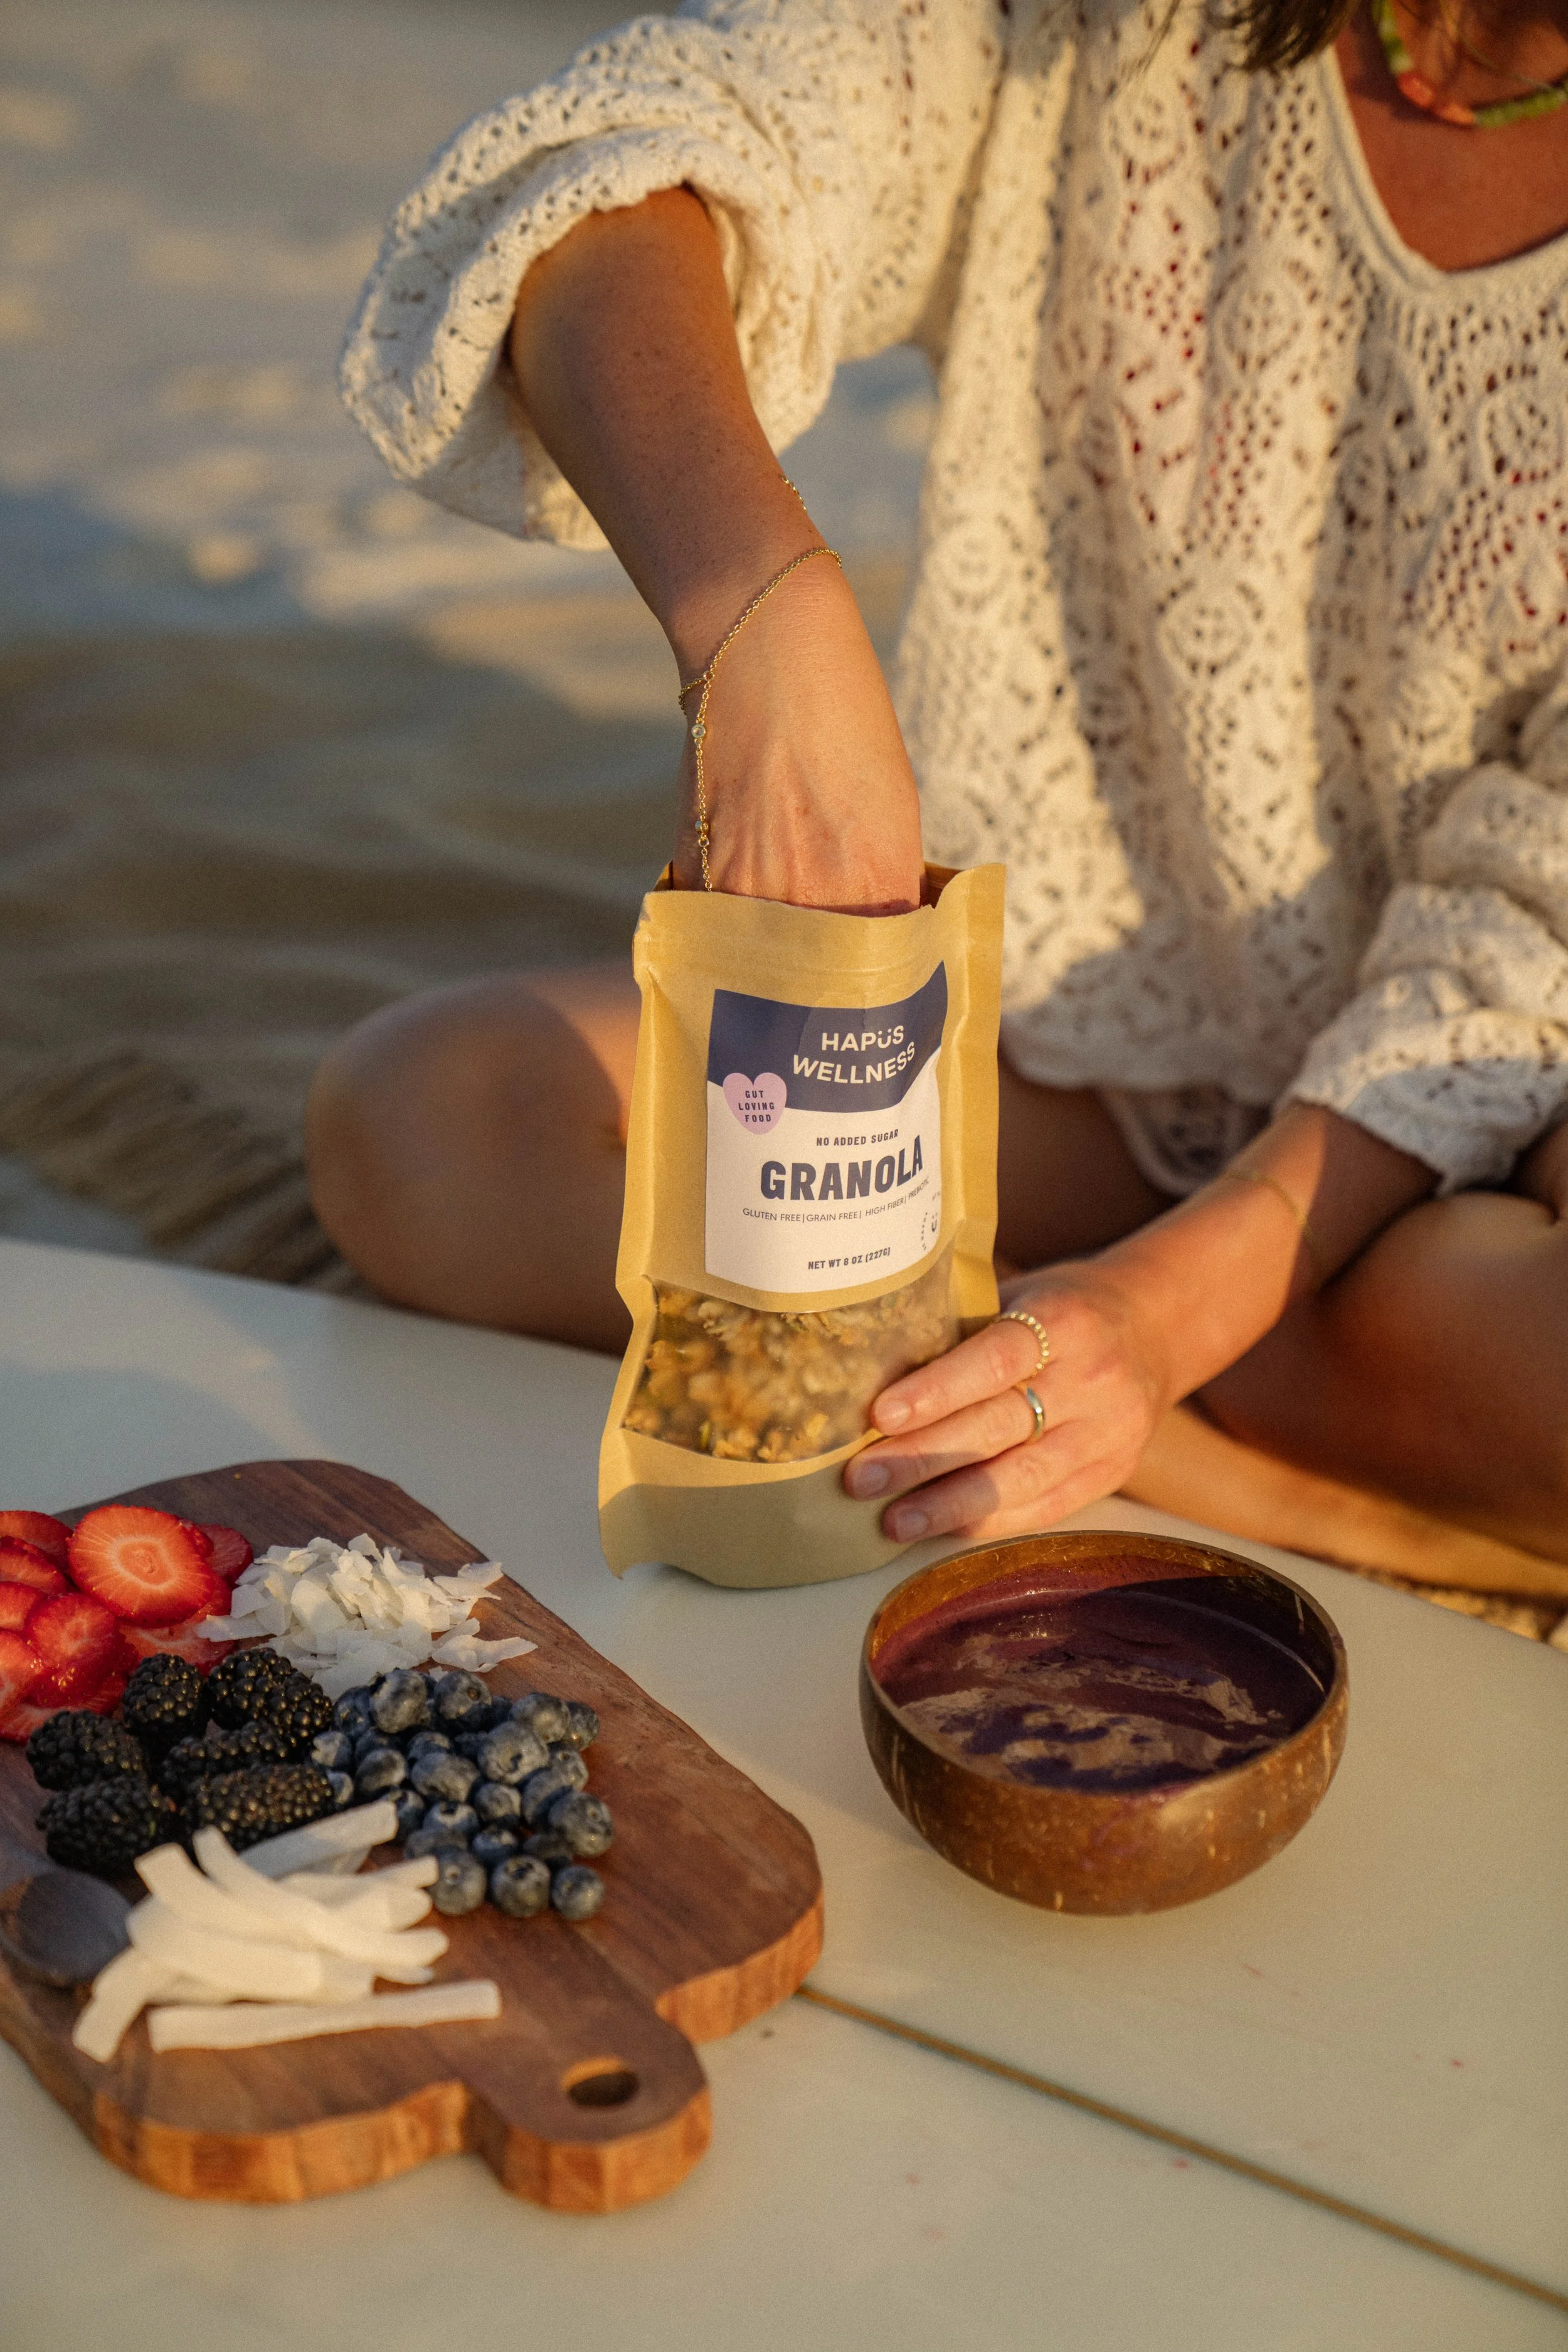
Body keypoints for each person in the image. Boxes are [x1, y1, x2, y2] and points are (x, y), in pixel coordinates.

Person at [311, 0, 1568, 1596]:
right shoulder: (1104, 24)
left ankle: (1066, 1393)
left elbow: (1535, 931)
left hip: (1491, 1122)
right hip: (1084, 1051)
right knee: (435, 1126)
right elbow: (598, 179)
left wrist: (1171, 1304)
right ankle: (1321, 1499)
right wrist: (769, 633)